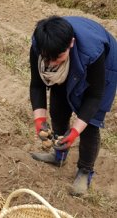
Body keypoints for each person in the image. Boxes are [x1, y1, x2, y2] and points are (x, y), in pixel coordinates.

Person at [29, 16, 117, 196]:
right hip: (74, 58)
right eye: (47, 59)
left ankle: (85, 171)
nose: (52, 64)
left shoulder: (93, 51)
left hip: (104, 67)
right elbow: (37, 84)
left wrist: (75, 131)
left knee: (90, 124)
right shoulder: (40, 44)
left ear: (71, 43)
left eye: (58, 58)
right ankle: (59, 155)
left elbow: (94, 97)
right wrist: (39, 120)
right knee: (58, 108)